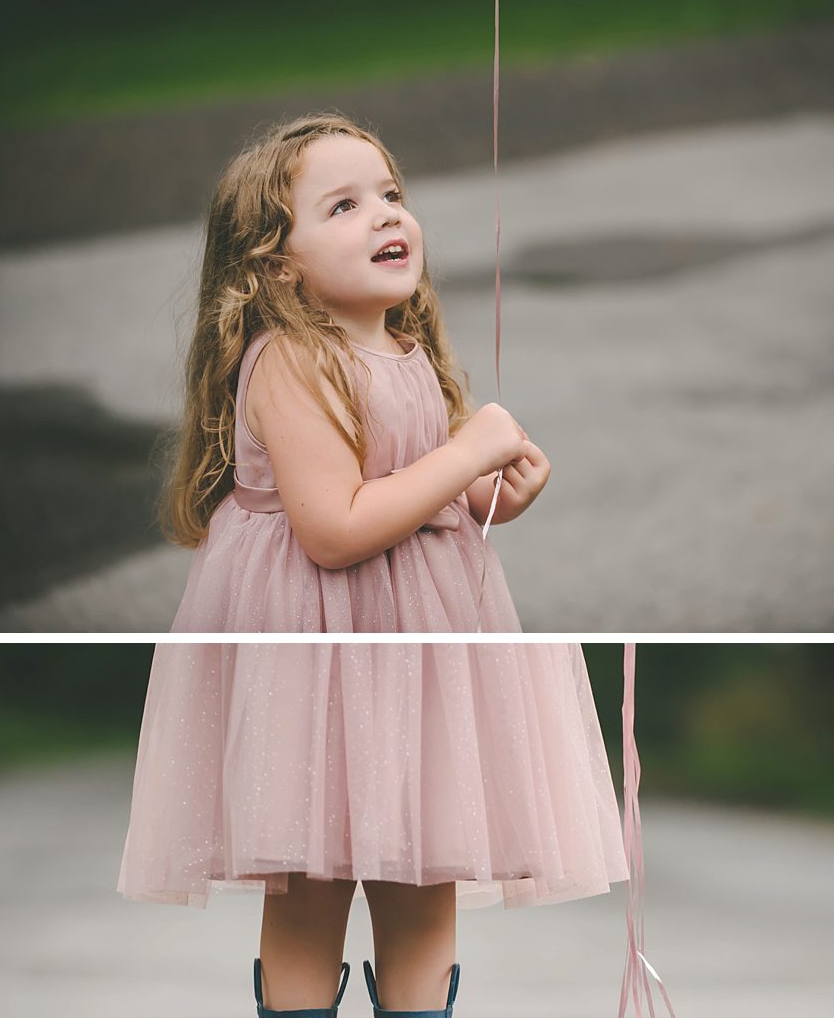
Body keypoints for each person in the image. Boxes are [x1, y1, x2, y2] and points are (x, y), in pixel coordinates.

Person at [117, 643, 629, 1018]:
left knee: (427, 846)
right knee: (308, 857)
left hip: (433, 638)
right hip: (316, 633)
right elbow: (323, 548)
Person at [160, 111, 549, 632]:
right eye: (344, 205)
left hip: (418, 614)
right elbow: (336, 532)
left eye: (390, 196)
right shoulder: (291, 360)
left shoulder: (403, 348)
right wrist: (467, 453)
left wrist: (485, 494)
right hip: (329, 622)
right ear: (278, 264)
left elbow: (413, 486)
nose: (386, 215)